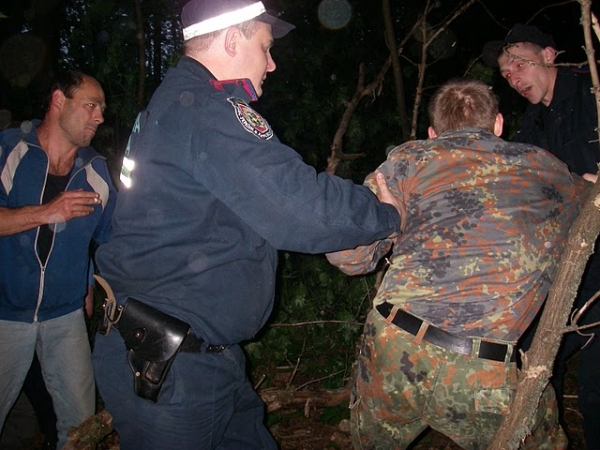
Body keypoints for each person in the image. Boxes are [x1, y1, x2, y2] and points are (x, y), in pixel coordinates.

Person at [91, 0, 401, 449]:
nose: (272, 64)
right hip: (173, 369)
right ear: (233, 40)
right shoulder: (207, 110)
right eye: (266, 47)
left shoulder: (172, 104)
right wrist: (387, 213)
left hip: (190, 354)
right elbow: (297, 206)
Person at [326, 77, 587, 449]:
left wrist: (390, 219)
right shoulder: (546, 168)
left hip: (393, 345)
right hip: (485, 368)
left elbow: (348, 257)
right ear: (498, 124)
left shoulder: (407, 161)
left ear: (432, 133)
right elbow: (591, 208)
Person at [483, 24, 600, 449]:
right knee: (530, 358)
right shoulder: (532, 125)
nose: (513, 77)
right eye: (506, 73)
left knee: (594, 384)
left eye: (519, 63)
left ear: (549, 55)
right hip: (572, 262)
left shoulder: (592, 91)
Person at [0, 70, 117, 449]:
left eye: (102, 108)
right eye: (91, 105)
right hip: (5, 313)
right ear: (57, 101)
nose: (99, 117)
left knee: (80, 427)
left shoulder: (96, 172)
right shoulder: (9, 152)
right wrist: (46, 212)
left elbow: (107, 239)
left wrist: (87, 281)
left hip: (66, 317)